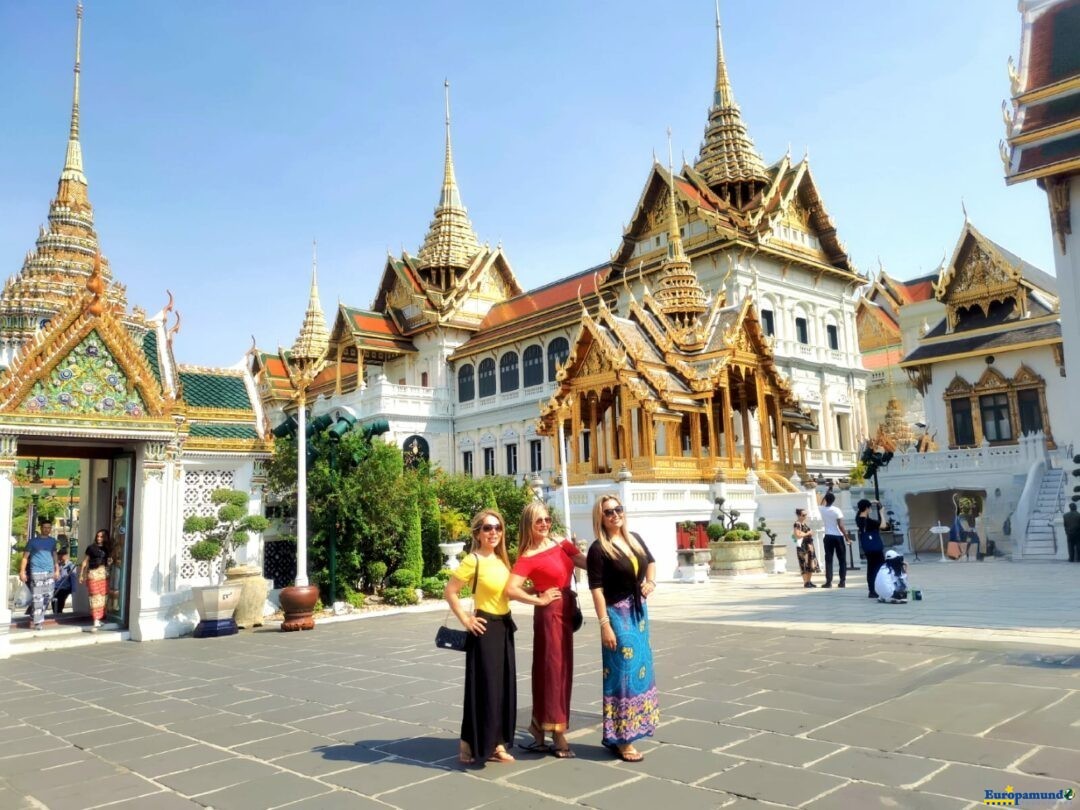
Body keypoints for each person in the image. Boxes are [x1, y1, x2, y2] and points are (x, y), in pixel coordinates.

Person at [506, 501, 586, 758]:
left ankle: (539, 727)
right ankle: (557, 732)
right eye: (538, 521)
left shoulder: (561, 543)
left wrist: (608, 558)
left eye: (547, 520)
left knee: (562, 669)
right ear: (529, 524)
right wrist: (539, 598)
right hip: (549, 615)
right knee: (552, 670)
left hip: (566, 609)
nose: (544, 525)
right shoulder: (527, 556)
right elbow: (510, 589)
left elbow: (582, 562)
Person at [587, 494, 659, 763]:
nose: (615, 514)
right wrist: (604, 624)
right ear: (601, 518)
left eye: (618, 509)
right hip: (617, 615)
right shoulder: (598, 549)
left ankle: (635, 728)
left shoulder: (634, 539)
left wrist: (650, 583)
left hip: (639, 615)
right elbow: (596, 589)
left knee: (641, 670)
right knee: (623, 674)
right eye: (608, 512)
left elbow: (650, 561)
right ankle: (622, 738)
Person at [444, 509, 516, 766]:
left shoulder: (501, 560)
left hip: (504, 627)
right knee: (483, 688)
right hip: (484, 629)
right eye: (487, 528)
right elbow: (450, 592)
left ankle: (497, 742)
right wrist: (466, 619)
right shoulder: (472, 561)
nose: (493, 532)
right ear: (478, 533)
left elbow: (508, 592)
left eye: (497, 528)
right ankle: (468, 742)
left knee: (502, 688)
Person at [19, 520, 58, 631]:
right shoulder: (32, 542)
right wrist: (22, 571)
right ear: (40, 528)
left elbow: (54, 555)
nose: (47, 529)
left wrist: (57, 569)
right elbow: (25, 557)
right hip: (36, 572)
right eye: (45, 527)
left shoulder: (52, 541)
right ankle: (38, 622)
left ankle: (35, 613)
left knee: (49, 596)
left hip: (49, 572)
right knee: (37, 597)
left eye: (49, 527)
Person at [79, 529, 111, 629]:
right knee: (94, 596)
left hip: (103, 574)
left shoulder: (107, 548)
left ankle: (98, 618)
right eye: (98, 536)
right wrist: (81, 574)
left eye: (101, 536)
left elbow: (108, 561)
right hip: (93, 573)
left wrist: (110, 562)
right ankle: (95, 619)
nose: (99, 538)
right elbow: (85, 561)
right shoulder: (91, 547)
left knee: (102, 597)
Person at [856, 499, 885, 599]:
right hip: (876, 548)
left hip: (867, 548)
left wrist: (868, 502)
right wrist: (881, 513)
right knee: (879, 568)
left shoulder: (858, 519)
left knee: (870, 568)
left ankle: (871, 590)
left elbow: (860, 510)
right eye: (869, 507)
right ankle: (878, 589)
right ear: (867, 508)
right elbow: (883, 525)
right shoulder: (869, 521)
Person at [819, 492, 849, 588]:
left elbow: (820, 504)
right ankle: (842, 581)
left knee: (828, 559)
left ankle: (828, 582)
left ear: (826, 499)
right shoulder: (837, 510)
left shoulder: (821, 509)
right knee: (842, 560)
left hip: (828, 536)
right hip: (838, 536)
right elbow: (841, 525)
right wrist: (847, 537)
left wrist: (824, 499)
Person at [792, 507, 818, 588]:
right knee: (803, 563)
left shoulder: (804, 524)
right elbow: (798, 535)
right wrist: (808, 533)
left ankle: (809, 581)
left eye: (806, 515)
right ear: (799, 516)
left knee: (810, 564)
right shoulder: (797, 524)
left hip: (809, 546)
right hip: (803, 546)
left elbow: (804, 533)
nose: (805, 516)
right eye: (803, 515)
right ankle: (806, 582)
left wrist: (808, 533)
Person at [52, 547, 78, 615]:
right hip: (56, 587)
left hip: (64, 588)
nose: (60, 556)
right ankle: (56, 613)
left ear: (66, 556)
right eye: (59, 555)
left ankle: (59, 613)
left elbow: (74, 579)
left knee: (60, 601)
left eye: (62, 555)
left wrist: (74, 591)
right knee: (53, 602)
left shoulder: (70, 566)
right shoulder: (57, 565)